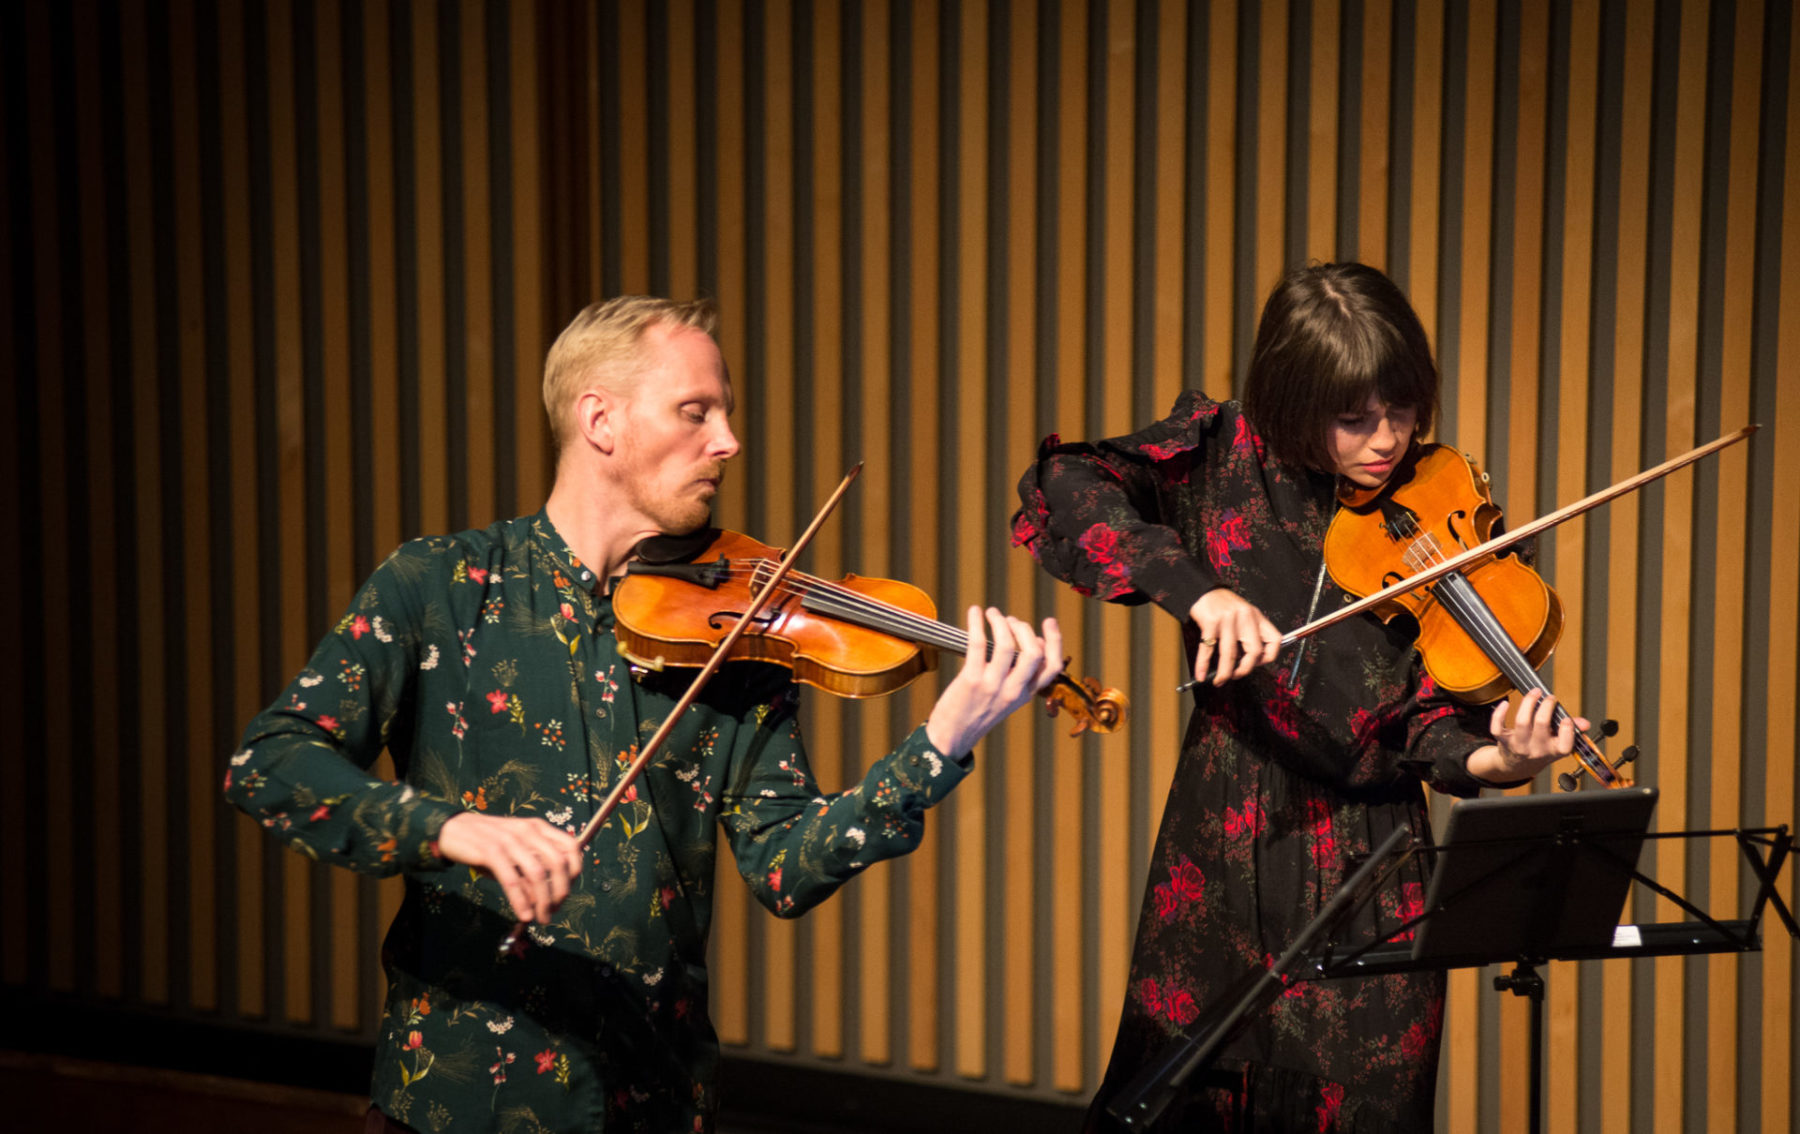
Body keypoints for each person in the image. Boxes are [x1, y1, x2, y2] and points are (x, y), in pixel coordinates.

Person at [225, 295, 1063, 1134]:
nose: (728, 441)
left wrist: (941, 743)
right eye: (695, 412)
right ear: (601, 421)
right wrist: (453, 830)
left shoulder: (736, 628)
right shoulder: (440, 586)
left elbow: (785, 868)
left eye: (726, 414)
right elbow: (269, 763)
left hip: (653, 1098)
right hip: (459, 1100)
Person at [1013, 262, 1584, 1131]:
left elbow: (1431, 725)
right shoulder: (1217, 453)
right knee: (1184, 1097)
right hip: (1222, 842)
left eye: (1402, 409)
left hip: (1375, 861)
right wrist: (1195, 588)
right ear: (1289, 396)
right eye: (1352, 418)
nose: (1386, 441)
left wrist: (1500, 754)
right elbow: (1069, 485)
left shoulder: (1439, 505)